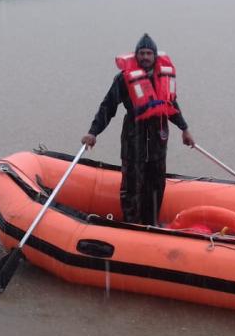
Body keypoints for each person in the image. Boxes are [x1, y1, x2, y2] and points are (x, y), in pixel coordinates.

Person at [81, 34, 195, 225]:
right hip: (134, 143)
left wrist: (185, 129)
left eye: (149, 53)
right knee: (132, 188)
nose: (145, 57)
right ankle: (131, 225)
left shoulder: (163, 77)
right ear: (136, 55)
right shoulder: (123, 79)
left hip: (158, 145)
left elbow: (171, 105)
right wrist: (93, 132)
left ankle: (151, 224)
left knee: (157, 186)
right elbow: (107, 107)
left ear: (155, 56)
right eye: (141, 53)